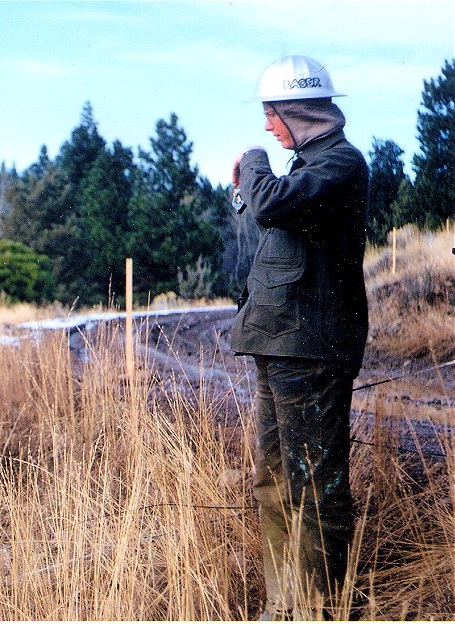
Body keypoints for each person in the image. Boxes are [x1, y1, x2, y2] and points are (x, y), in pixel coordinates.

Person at [230, 55, 369, 619]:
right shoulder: (309, 170)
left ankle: (316, 609)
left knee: (313, 490)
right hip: (281, 343)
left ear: (297, 111)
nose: (267, 128)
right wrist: (253, 183)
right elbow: (270, 216)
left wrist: (255, 165)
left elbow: (271, 203)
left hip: (310, 350)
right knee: (274, 482)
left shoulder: (340, 164)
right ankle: (283, 605)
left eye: (272, 116)